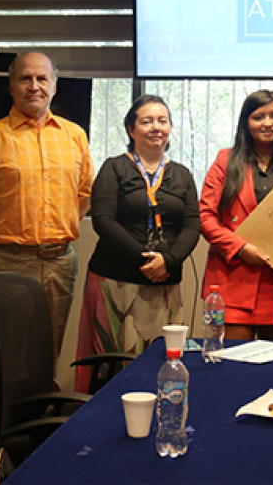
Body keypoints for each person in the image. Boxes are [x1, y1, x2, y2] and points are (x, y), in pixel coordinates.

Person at [0, 51, 93, 360]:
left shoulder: (75, 136)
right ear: (12, 87)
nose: (34, 86)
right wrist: (7, 243)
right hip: (8, 261)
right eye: (25, 79)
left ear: (54, 86)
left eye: (42, 78)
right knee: (4, 356)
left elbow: (84, 194)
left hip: (59, 263)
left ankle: (44, 411)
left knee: (48, 353)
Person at [74, 95, 200, 393]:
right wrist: (142, 260)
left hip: (165, 284)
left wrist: (168, 261)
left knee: (163, 368)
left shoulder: (181, 174)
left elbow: (192, 225)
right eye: (147, 121)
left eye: (162, 120)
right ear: (131, 129)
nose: (156, 127)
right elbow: (103, 219)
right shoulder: (114, 167)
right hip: (115, 282)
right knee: (112, 368)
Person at [199, 90, 273, 340]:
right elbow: (205, 217)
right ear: (246, 122)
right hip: (232, 278)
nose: (267, 123)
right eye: (258, 116)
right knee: (230, 364)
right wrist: (240, 247)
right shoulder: (225, 160)